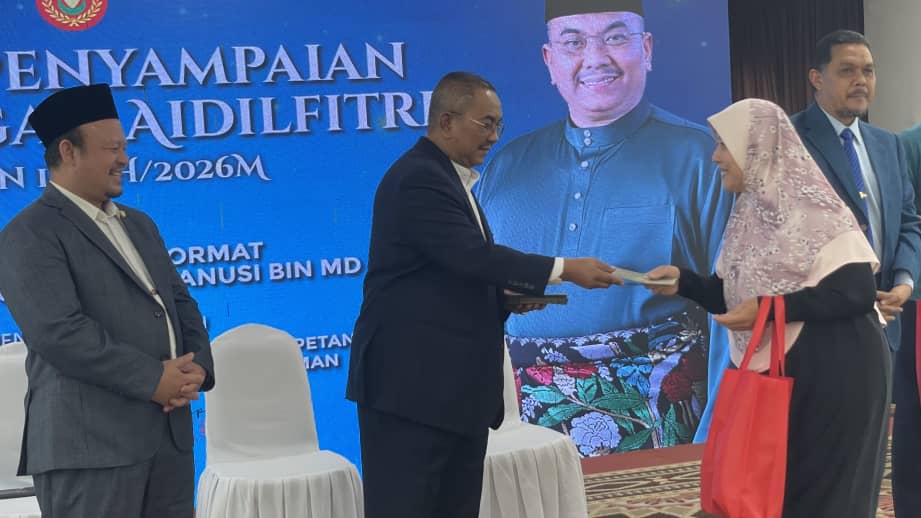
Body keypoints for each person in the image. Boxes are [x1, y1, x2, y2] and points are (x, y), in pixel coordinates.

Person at [345, 71, 621, 518]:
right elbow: (472, 256)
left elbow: (447, 275)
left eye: (499, 125)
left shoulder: (451, 178)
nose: (494, 136)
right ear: (447, 121)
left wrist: (502, 299)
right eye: (485, 123)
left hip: (450, 393)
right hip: (410, 392)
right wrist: (564, 269)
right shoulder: (418, 178)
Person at [476, 0, 734, 450]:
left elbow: (734, 310)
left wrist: (714, 439)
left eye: (615, 37)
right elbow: (473, 308)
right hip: (524, 433)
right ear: (549, 60)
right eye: (573, 42)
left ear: (647, 49)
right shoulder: (507, 168)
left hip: (666, 428)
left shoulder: (704, 160)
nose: (595, 58)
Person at [645, 98, 889, 517]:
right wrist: (684, 282)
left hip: (838, 372)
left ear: (757, 147)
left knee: (825, 493)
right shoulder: (749, 214)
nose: (716, 157)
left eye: (724, 145)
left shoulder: (817, 211)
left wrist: (768, 308)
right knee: (775, 487)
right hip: (786, 370)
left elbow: (855, 292)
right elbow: (733, 295)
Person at [0, 84, 214, 518]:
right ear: (69, 152)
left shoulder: (140, 225)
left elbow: (180, 304)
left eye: (124, 147)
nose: (124, 159)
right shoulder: (29, 234)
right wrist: (154, 379)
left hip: (168, 440)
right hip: (90, 450)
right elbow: (59, 333)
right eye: (112, 149)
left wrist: (197, 369)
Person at [789, 30, 921, 517]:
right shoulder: (791, 139)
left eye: (867, 70)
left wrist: (905, 279)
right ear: (816, 77)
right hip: (821, 331)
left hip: (885, 324)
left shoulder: (887, 144)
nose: (861, 80)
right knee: (824, 463)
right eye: (847, 70)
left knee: (869, 457)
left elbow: (908, 221)